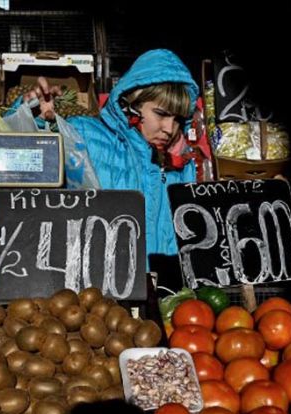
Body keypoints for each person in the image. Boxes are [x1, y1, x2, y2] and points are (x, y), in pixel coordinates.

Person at [20, 49, 198, 262]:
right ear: (131, 103)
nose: (170, 128)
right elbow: (26, 158)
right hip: (94, 290)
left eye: (178, 118)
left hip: (167, 292)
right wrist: (35, 118)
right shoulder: (84, 135)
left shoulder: (182, 164)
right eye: (161, 114)